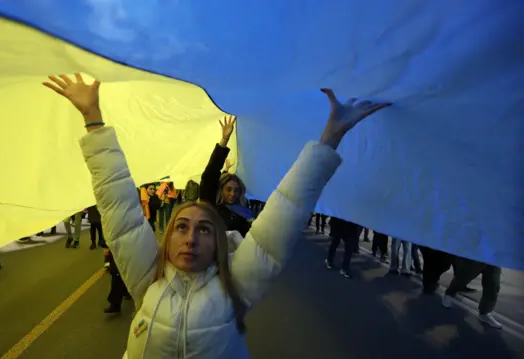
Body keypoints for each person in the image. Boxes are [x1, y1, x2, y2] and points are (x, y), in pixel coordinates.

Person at [43, 73, 390, 358]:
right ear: (168, 237)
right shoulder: (148, 278)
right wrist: (93, 119)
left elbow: (287, 208)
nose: (191, 237)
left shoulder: (235, 286)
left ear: (219, 243)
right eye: (182, 227)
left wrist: (329, 138)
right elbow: (119, 205)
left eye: (205, 230)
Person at [199, 116, 253, 236]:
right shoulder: (211, 205)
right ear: (221, 188)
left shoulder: (244, 213)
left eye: (236, 190)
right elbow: (210, 173)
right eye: (228, 189)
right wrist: (225, 139)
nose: (233, 194)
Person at [442, 257, 502, 329]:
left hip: (494, 257)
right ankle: (450, 293)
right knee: (463, 277)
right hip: (476, 254)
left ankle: (485, 313)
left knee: (493, 285)